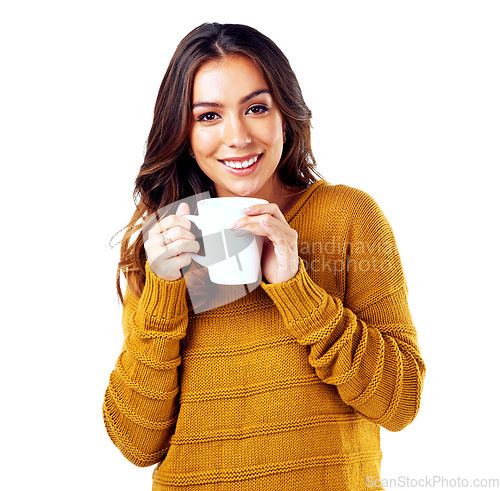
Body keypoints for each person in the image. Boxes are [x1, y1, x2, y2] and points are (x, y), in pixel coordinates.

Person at [102, 22, 426, 491]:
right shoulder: (162, 245)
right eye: (208, 116)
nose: (237, 137)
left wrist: (297, 289)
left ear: (285, 116)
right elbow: (136, 444)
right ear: (184, 132)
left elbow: (401, 402)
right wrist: (162, 295)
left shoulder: (349, 217)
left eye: (256, 108)